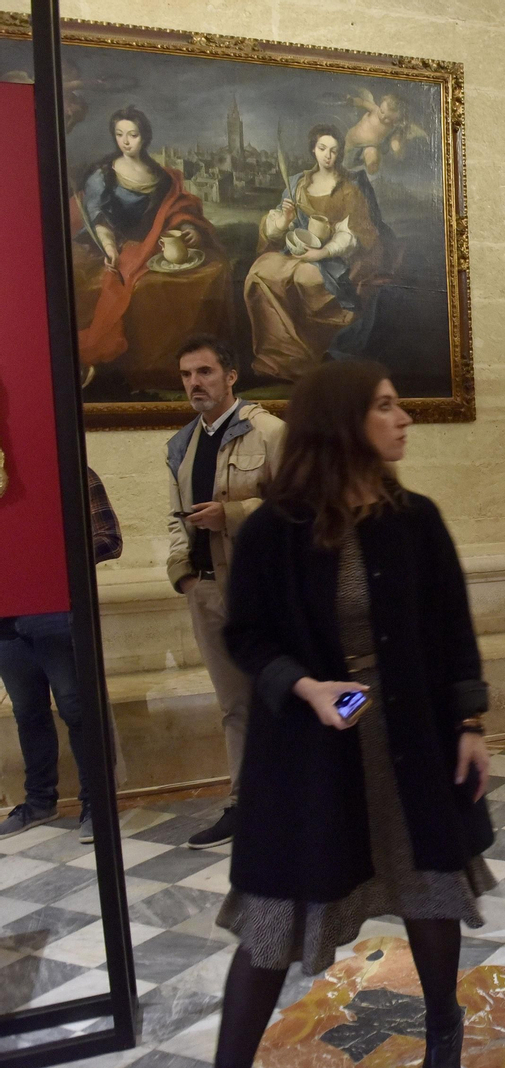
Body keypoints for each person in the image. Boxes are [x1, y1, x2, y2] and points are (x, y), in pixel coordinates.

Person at [214, 360, 494, 1068]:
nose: (403, 419)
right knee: (273, 918)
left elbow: (454, 631)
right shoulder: (272, 532)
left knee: (429, 888)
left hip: (410, 740)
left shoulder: (416, 521)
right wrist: (304, 686)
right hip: (310, 753)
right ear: (342, 421)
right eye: (386, 406)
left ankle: (442, 1040)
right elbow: (244, 634)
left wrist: (470, 725)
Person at [165, 335, 286, 849]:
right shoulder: (180, 444)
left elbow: (299, 505)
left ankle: (296, 799)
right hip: (208, 591)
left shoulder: (271, 432)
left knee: (280, 695)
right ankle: (245, 804)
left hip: (264, 593)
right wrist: (182, 575)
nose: (195, 382)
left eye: (205, 372)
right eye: (188, 374)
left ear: (230, 375)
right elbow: (174, 519)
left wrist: (232, 514)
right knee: (234, 705)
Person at [0, 469, 122, 843]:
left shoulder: (69, 469)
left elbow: (108, 539)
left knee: (77, 707)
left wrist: (46, 561)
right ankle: (39, 802)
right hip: (6, 615)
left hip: (56, 608)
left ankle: (96, 805)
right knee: (27, 712)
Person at [245, 123, 391, 381]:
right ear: (313, 149)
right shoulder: (297, 184)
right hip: (297, 253)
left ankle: (306, 359)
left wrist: (321, 253)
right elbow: (278, 232)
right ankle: (279, 357)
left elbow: (352, 235)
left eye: (334, 150)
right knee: (259, 272)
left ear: (340, 154)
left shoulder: (348, 188)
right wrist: (284, 220)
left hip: (334, 261)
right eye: (322, 148)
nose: (328, 155)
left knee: (303, 277)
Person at [77, 106, 218, 369]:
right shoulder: (104, 174)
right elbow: (98, 217)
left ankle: (178, 360)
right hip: (110, 244)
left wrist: (189, 229)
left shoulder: (162, 177)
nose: (126, 141)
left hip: (154, 243)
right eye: (120, 134)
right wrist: (110, 248)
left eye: (133, 134)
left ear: (145, 137)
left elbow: (177, 209)